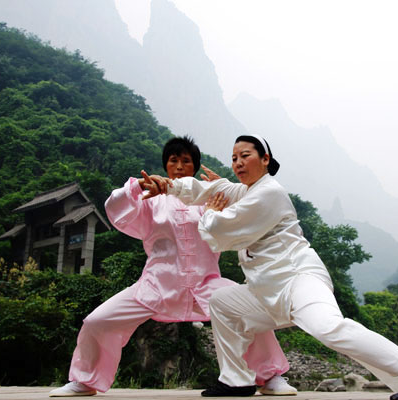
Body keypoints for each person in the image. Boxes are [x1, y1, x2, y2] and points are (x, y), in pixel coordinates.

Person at [140, 134, 398, 400]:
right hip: (267, 291)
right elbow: (208, 189)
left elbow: (222, 227)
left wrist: (209, 212)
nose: (237, 163)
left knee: (329, 328)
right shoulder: (244, 190)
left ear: (265, 159)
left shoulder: (268, 192)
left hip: (299, 279)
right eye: (233, 157)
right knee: (222, 303)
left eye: (245, 155)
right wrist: (166, 186)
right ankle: (236, 380)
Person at [49, 136, 295, 397]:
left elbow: (247, 211)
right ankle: (84, 381)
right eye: (173, 160)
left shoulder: (210, 197)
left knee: (245, 310)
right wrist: (135, 188)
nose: (179, 166)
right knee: (98, 321)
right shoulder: (150, 197)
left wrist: (221, 194)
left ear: (194, 167)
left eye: (186, 161)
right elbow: (117, 209)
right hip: (156, 284)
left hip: (206, 283)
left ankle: (270, 377)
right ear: (165, 165)